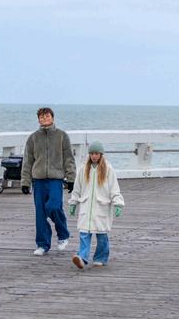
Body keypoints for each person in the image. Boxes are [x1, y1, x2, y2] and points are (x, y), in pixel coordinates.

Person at [21, 106, 76, 255]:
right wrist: (25, 182)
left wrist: (71, 178)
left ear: (52, 117)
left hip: (55, 179)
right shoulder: (33, 138)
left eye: (47, 116)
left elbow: (69, 158)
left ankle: (63, 234)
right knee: (40, 213)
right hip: (38, 180)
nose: (44, 119)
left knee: (54, 206)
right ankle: (42, 244)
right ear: (38, 119)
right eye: (42, 117)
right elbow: (27, 161)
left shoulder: (62, 136)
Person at [69, 140, 124, 269]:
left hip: (101, 207)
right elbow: (77, 188)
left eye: (97, 153)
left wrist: (118, 204)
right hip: (86, 206)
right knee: (84, 233)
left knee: (102, 235)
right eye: (92, 153)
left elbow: (114, 189)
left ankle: (101, 257)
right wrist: (73, 202)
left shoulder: (108, 169)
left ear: (101, 154)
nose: (94, 156)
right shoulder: (83, 169)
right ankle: (82, 258)